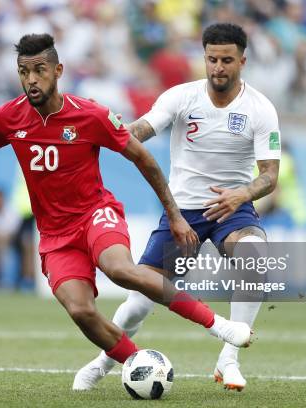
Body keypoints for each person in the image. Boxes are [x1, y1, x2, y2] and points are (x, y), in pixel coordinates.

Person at [0, 33, 252, 379]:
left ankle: (216, 324)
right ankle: (136, 365)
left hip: (95, 214)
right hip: (55, 234)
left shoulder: (90, 115)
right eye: (23, 72)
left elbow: (143, 158)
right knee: (80, 310)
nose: (31, 80)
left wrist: (174, 215)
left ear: (58, 70)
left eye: (39, 70)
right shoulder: (8, 118)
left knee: (121, 271)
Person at [74, 23, 281, 392]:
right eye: (212, 59)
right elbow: (140, 130)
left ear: (243, 61)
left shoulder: (260, 109)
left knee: (255, 257)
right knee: (138, 305)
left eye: (227, 60)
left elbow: (269, 176)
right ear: (204, 58)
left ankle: (228, 360)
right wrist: (106, 128)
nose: (218, 67)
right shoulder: (181, 97)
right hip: (181, 213)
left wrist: (242, 194)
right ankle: (104, 362)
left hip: (230, 210)